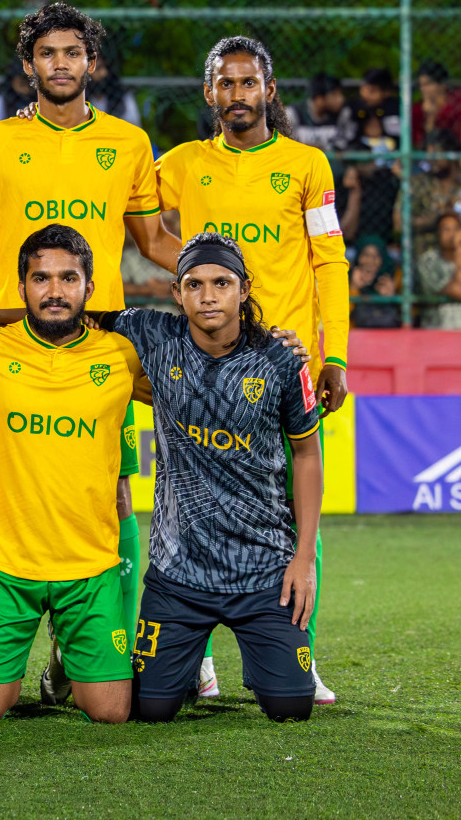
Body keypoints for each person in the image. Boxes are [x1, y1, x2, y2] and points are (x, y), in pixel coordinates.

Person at [0, 1, 179, 703]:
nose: (61, 65)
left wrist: (222, 274)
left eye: (73, 53)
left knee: (117, 495)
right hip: (7, 334)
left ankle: (96, 648)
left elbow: (154, 242)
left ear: (90, 64)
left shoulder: (128, 143)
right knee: (12, 487)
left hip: (102, 339)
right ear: (28, 65)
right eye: (48, 54)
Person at [157, 35, 350, 703]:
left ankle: (302, 651)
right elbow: (128, 217)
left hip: (284, 365)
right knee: (195, 512)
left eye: (248, 82)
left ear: (269, 91)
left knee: (298, 518)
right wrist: (187, 280)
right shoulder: (181, 164)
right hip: (204, 363)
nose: (237, 93)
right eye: (225, 83)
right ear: (209, 93)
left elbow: (330, 262)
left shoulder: (306, 163)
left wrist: (335, 354)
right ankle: (200, 656)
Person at [95, 233, 323, 724]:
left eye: (222, 282)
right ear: (176, 294)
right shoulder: (150, 333)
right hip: (178, 574)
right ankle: (188, 662)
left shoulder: (281, 359)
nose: (208, 294)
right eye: (193, 284)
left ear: (244, 290)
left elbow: (307, 455)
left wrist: (304, 559)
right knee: (150, 709)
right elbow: (68, 317)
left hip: (264, 571)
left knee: (291, 707)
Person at [0, 225, 141, 723]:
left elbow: (200, 382)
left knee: (112, 714)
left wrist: (272, 347)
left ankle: (66, 658)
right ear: (21, 287)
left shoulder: (122, 356)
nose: (55, 291)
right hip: (7, 565)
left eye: (69, 278)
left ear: (89, 288)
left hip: (89, 567)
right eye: (41, 278)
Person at [287, 72, 356, 155]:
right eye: (335, 95)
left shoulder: (343, 114)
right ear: (319, 99)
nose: (341, 99)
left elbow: (348, 144)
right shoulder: (293, 114)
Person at [417, 211, 461, 329]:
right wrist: (458, 250)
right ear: (438, 234)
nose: (452, 234)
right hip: (438, 330)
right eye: (446, 229)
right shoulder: (428, 261)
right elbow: (455, 290)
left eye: (456, 229)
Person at [349, 238, 400, 329]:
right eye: (366, 255)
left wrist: (393, 297)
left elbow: (410, 317)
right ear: (358, 257)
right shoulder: (347, 277)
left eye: (376, 256)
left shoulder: (395, 277)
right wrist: (353, 289)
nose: (370, 261)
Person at [416, 60, 461, 152]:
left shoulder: (456, 102)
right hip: (432, 157)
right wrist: (430, 118)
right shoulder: (418, 110)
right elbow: (420, 145)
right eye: (421, 85)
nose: (423, 89)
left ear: (442, 85)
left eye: (428, 84)